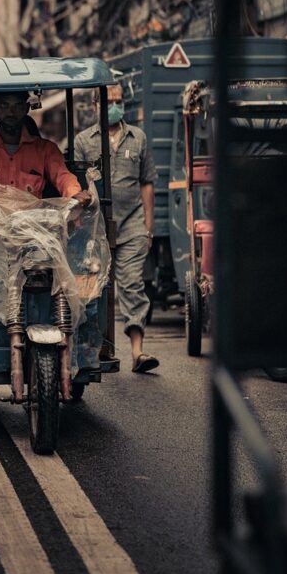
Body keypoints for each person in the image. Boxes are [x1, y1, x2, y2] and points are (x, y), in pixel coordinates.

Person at [74, 83, 159, 373]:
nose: (115, 105)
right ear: (95, 104)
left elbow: (146, 183)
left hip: (132, 224)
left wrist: (149, 227)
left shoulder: (138, 138)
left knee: (133, 285)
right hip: (96, 227)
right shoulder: (84, 141)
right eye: (109, 100)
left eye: (119, 100)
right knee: (95, 288)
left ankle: (138, 352)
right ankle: (96, 347)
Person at [0, 90, 90, 205]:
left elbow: (63, 176)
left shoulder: (46, 149)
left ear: (26, 108)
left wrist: (75, 194)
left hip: (31, 230)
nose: (11, 112)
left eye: (18, 105)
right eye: (4, 105)